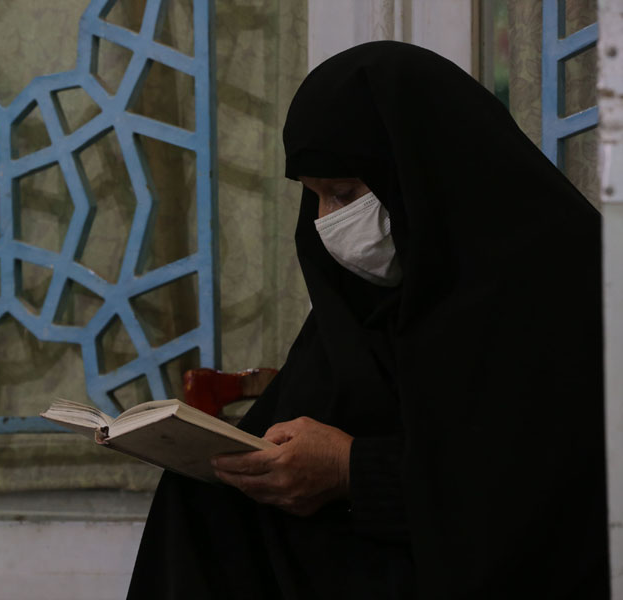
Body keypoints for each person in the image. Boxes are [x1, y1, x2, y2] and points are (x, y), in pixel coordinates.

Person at [126, 41, 609, 599]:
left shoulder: (564, 282)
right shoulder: (366, 299)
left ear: (420, 167)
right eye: (314, 197)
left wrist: (354, 470)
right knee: (201, 504)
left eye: (344, 192)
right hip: (380, 549)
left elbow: (549, 493)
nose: (326, 222)